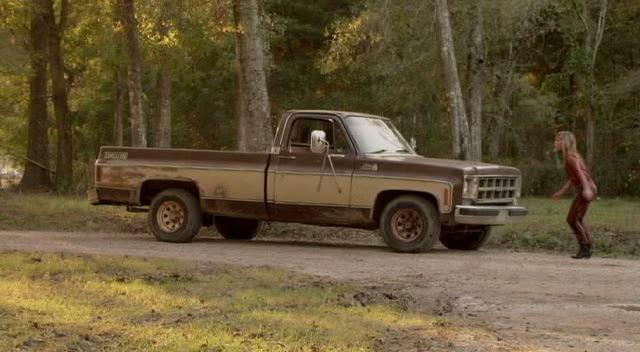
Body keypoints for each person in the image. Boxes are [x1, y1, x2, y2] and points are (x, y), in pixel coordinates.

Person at [552, 131, 598, 259]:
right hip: (589, 187)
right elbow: (573, 178)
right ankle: (587, 247)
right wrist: (561, 193)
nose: (555, 142)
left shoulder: (570, 157)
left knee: (572, 219)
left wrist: (587, 189)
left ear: (564, 142)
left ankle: (585, 247)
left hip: (585, 188)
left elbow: (580, 173)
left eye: (558, 140)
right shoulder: (574, 155)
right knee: (578, 219)